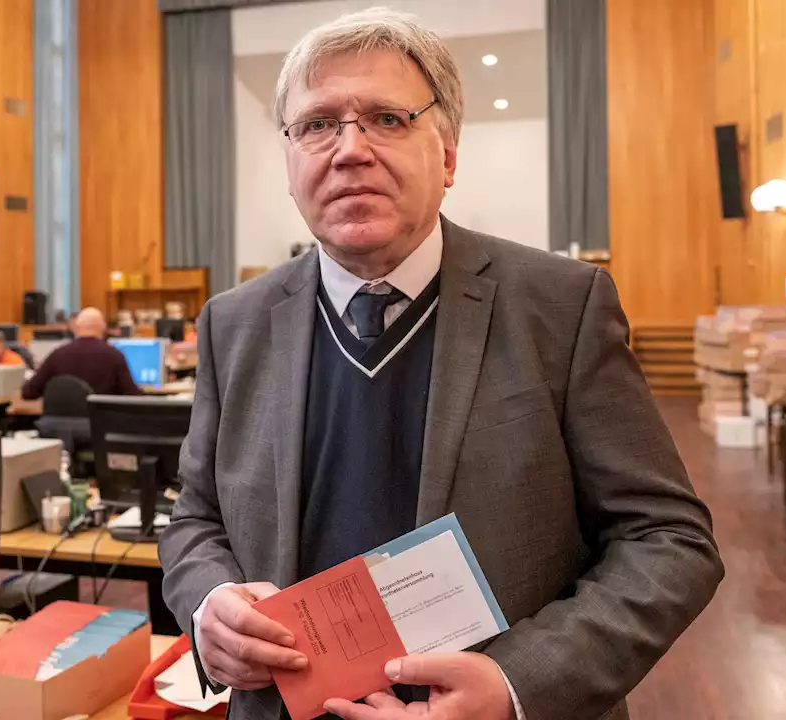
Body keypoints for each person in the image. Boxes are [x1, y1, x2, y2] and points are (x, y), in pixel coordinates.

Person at [158, 10, 723, 720]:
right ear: (291, 159)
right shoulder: (232, 324)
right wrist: (209, 605)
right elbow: (194, 519)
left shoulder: (561, 306)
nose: (349, 149)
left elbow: (668, 540)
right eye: (317, 124)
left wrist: (517, 685)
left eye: (387, 119)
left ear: (448, 155)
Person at [21, 307, 141, 399]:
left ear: (76, 328)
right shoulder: (114, 355)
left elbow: (29, 392)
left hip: (59, 427)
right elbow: (132, 395)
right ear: (103, 328)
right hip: (99, 425)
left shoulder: (57, 354)